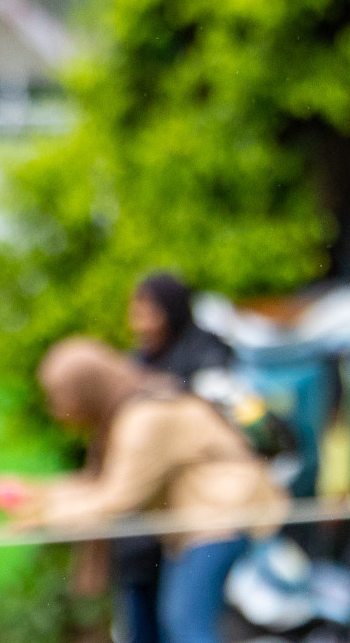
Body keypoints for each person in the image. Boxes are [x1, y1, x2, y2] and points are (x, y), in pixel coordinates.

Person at [0, 338, 286, 643]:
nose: (57, 409)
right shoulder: (129, 410)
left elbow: (119, 498)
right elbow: (99, 484)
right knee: (181, 624)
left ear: (86, 387)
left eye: (60, 396)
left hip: (224, 517)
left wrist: (45, 515)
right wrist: (38, 495)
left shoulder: (144, 419)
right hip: (204, 523)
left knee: (187, 625)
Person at [116, 273, 235, 643]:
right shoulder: (134, 364)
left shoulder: (208, 356)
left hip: (203, 517)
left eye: (149, 310)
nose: (140, 321)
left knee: (185, 623)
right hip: (145, 525)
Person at [129, 273, 232, 391]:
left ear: (169, 312)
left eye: (148, 314)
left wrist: (167, 385)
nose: (140, 326)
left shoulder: (205, 347)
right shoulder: (141, 355)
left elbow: (211, 384)